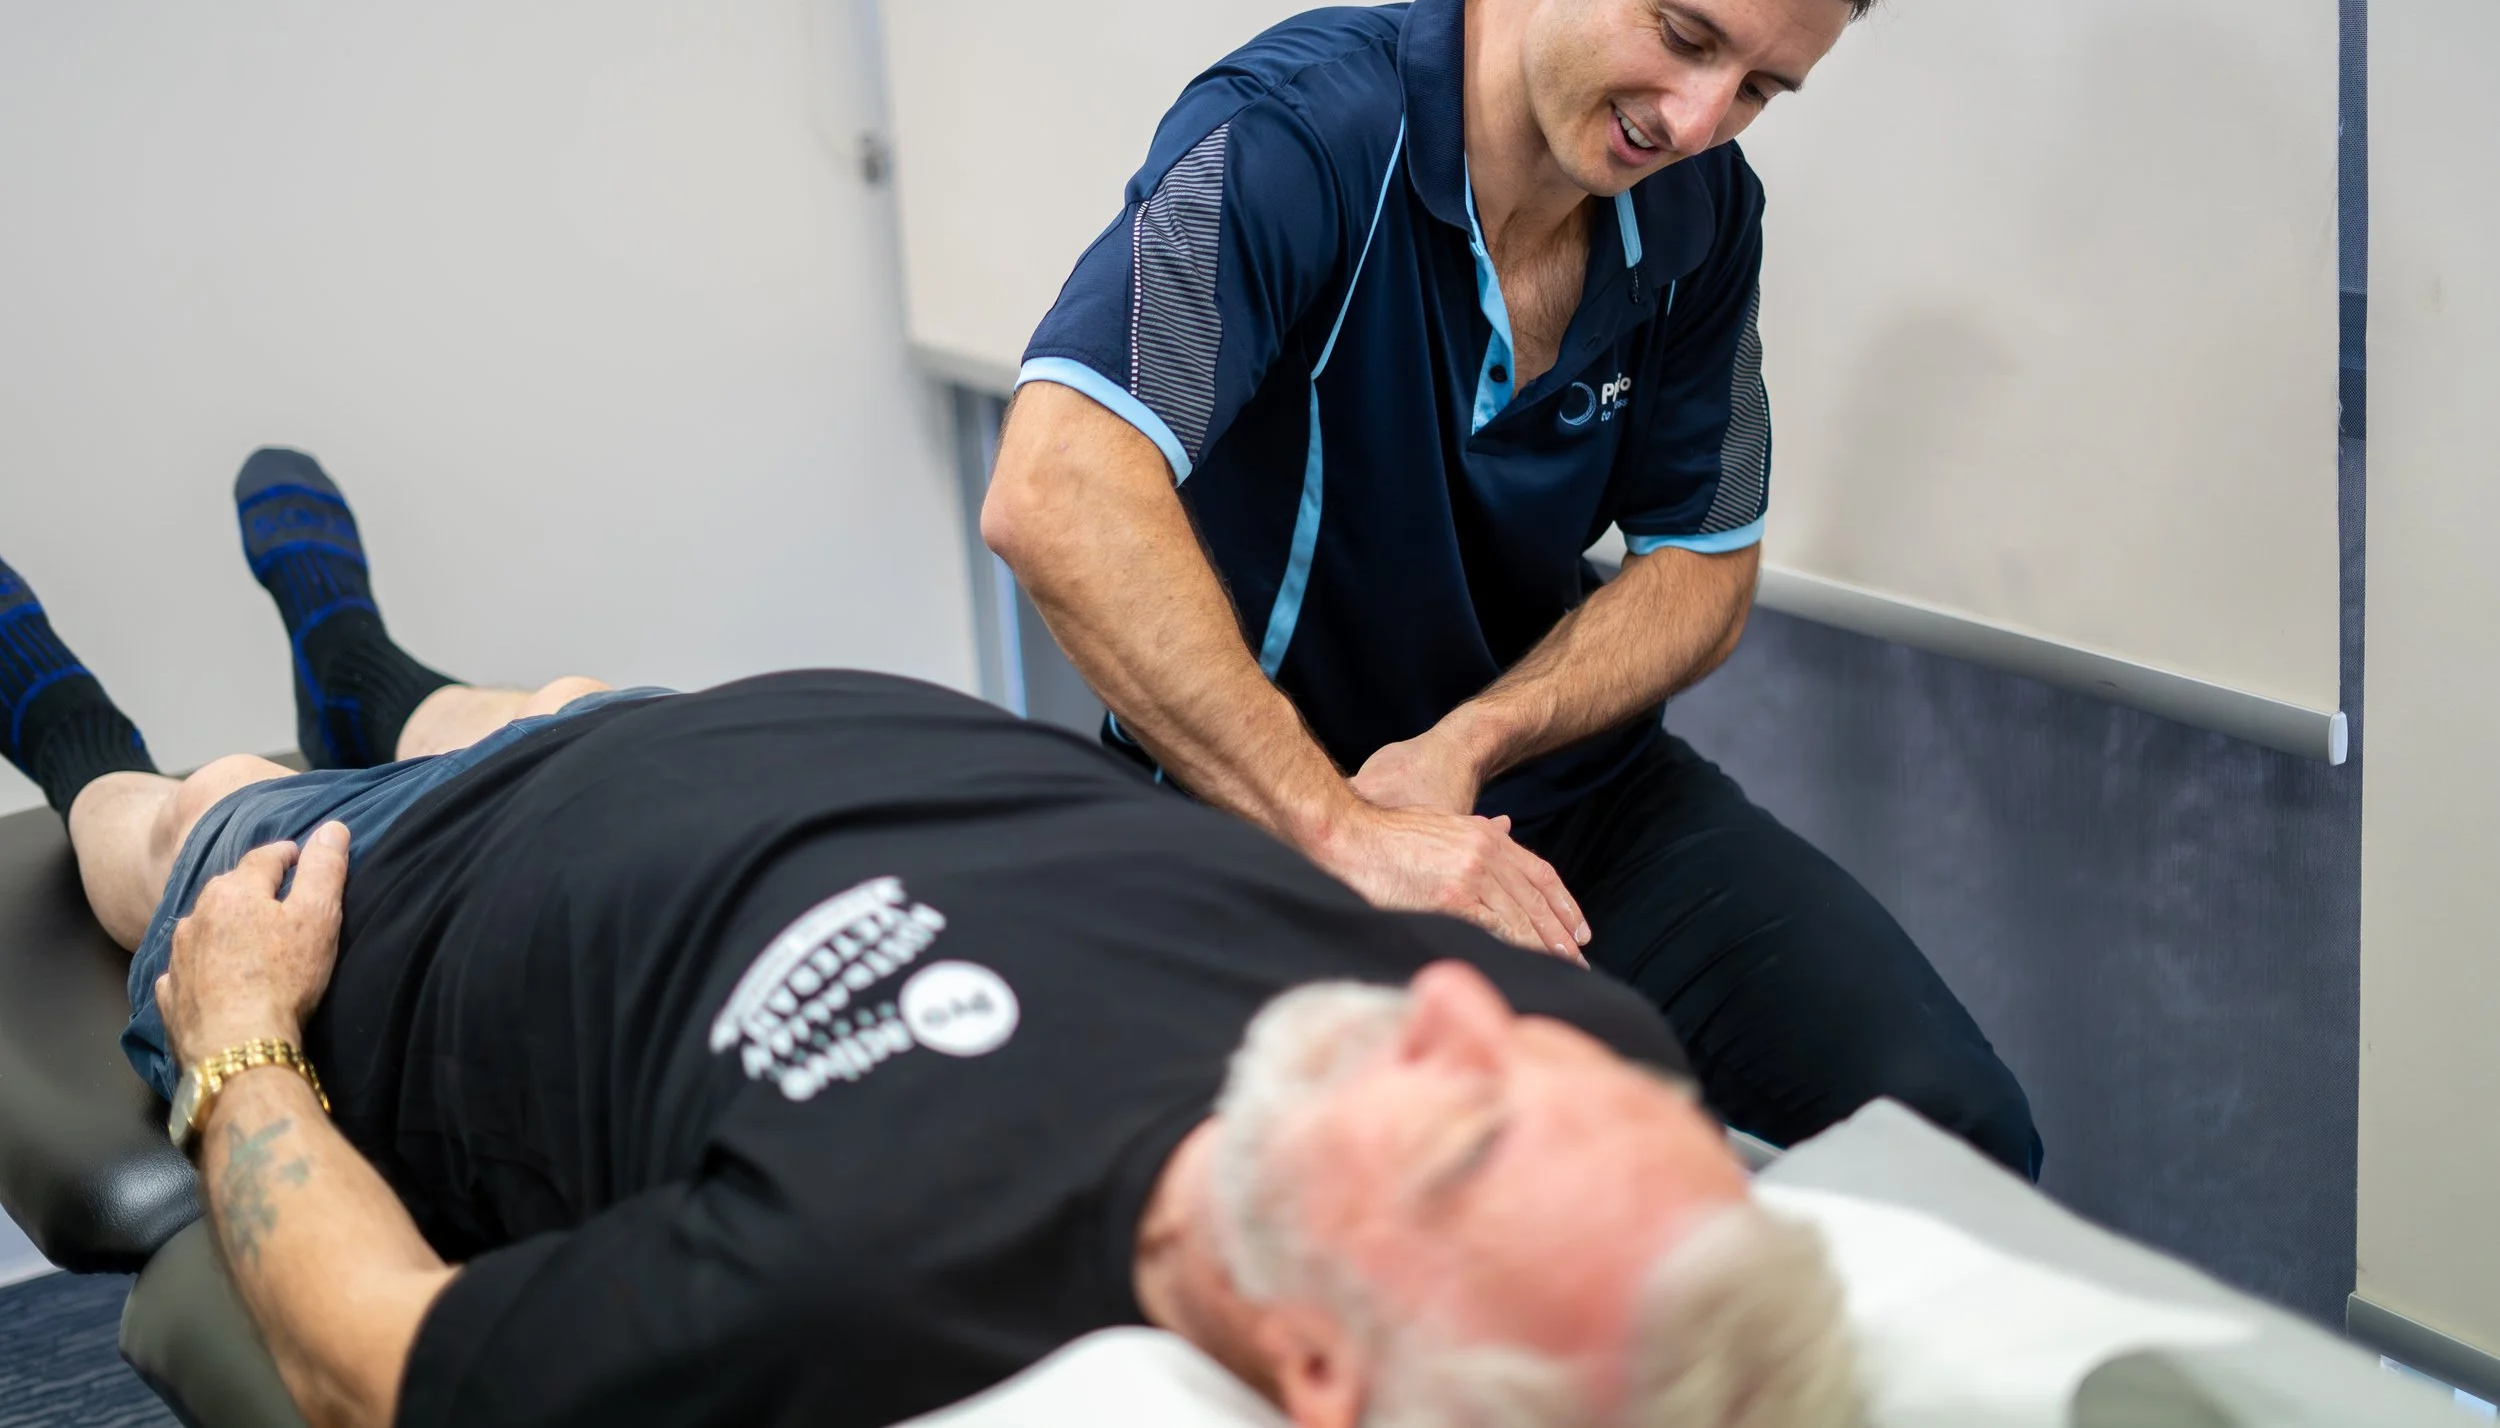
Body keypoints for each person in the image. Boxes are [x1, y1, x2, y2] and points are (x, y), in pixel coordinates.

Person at [0, 449, 1855, 1428]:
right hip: (721, 730)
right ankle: (364, 662)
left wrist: (242, 1035)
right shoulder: (1601, 1068)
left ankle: (65, 721)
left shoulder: (868, 1291)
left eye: (1463, 1131)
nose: (1452, 998)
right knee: (526, 699)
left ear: (1313, 1370)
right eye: (1533, 1040)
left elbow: (375, 1362)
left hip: (412, 895)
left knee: (177, 823)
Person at [982, 0, 2039, 1176]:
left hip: (1557, 800)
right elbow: (1055, 487)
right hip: (1260, 815)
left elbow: (1703, 567)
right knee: (1404, 1219)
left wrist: (1472, 743)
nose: (1694, 119)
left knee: (1955, 1135)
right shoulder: (1296, 137)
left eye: (1758, 88)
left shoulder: (1702, 214)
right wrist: (1345, 827)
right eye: (1684, 35)